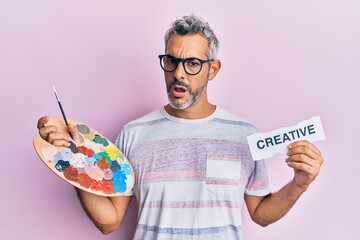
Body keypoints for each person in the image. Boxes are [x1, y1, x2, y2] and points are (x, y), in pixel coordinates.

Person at [37, 15, 324, 240]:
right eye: (171, 61)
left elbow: (261, 213)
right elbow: (109, 222)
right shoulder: (133, 134)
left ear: (213, 69)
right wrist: (72, 163)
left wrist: (299, 184)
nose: (178, 74)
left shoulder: (243, 135)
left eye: (193, 64)